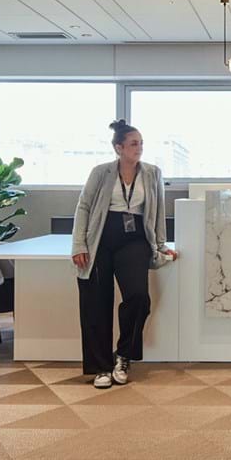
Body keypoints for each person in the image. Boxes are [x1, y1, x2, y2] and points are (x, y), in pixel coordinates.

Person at [71, 120, 177, 389]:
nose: (139, 148)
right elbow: (83, 207)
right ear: (118, 147)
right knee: (96, 303)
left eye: (141, 143)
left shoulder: (152, 173)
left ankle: (124, 355)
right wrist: (79, 245)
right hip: (101, 240)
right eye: (133, 143)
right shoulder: (101, 172)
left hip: (135, 240)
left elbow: (158, 210)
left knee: (139, 298)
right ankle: (100, 367)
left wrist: (161, 244)